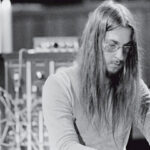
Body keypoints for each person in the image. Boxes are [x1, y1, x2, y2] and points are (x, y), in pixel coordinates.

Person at [42, 1, 150, 150]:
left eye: (126, 47)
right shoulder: (59, 85)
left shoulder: (132, 84)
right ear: (94, 43)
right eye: (112, 45)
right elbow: (64, 145)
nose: (120, 56)